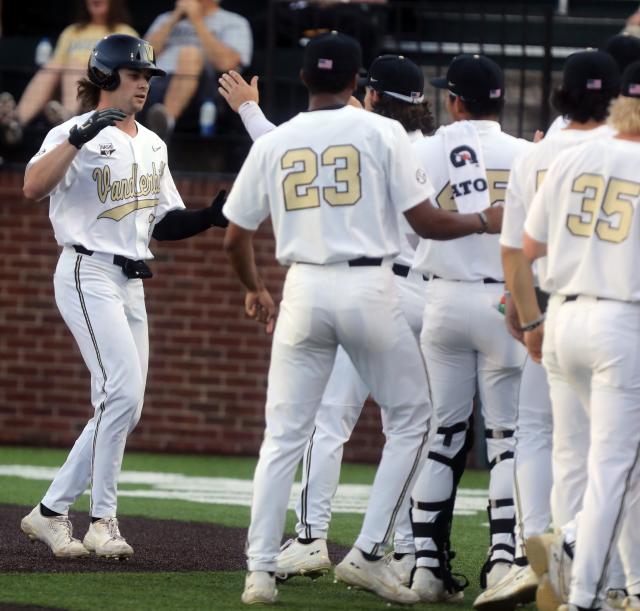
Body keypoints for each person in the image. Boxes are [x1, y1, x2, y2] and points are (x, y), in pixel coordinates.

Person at [221, 32, 504, 606]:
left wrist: (254, 288)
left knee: (284, 436)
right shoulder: (383, 132)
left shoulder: (282, 139)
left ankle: (259, 571)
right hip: (372, 285)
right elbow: (426, 222)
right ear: (356, 84)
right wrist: (483, 222)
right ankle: (373, 551)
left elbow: (234, 237)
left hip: (302, 286)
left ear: (303, 79)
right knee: (416, 420)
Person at [220, 54, 435, 586]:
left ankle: (305, 541)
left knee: (319, 425)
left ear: (373, 93)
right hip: (424, 292)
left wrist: (250, 114)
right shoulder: (412, 141)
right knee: (412, 426)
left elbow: (297, 154)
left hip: (337, 285)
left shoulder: (368, 135)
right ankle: (405, 549)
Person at [18, 33, 228, 560]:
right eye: (136, 75)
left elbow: (163, 221)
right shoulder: (73, 131)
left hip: (131, 280)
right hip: (87, 272)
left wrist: (208, 216)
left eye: (148, 77)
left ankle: (98, 522)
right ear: (107, 77)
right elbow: (31, 185)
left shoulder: (153, 143)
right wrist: (77, 135)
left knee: (121, 406)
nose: (143, 84)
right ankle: (56, 513)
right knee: (122, 395)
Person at [475, 49, 621, 611]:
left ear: (561, 95)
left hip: (550, 308)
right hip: (614, 311)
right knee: (609, 451)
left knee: (536, 433)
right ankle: (586, 558)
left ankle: (531, 546)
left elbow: (514, 247)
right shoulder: (624, 151)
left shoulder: (537, 153)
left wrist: (523, 310)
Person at [408, 54, 530, 603]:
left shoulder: (426, 148)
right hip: (505, 300)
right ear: (500, 100)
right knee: (507, 440)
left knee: (444, 436)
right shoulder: (529, 154)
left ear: (455, 100)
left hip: (442, 298)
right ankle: (504, 559)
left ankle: (426, 567)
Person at [520, 59, 640, 611]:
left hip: (562, 316)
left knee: (581, 458)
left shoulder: (573, 154)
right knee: (617, 467)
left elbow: (528, 248)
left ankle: (608, 581)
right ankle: (581, 583)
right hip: (620, 321)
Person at [0, 0, 137, 146]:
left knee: (75, 63)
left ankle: (68, 118)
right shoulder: (72, 31)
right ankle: (16, 122)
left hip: (104, 90)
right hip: (67, 89)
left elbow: (131, 73)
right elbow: (57, 65)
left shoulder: (125, 31)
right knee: (53, 64)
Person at [143, 0, 252, 141]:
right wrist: (174, 18)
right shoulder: (165, 18)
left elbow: (227, 63)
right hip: (156, 82)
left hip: (204, 86)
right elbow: (142, 56)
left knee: (189, 53)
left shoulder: (234, 22)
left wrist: (197, 20)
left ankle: (165, 123)